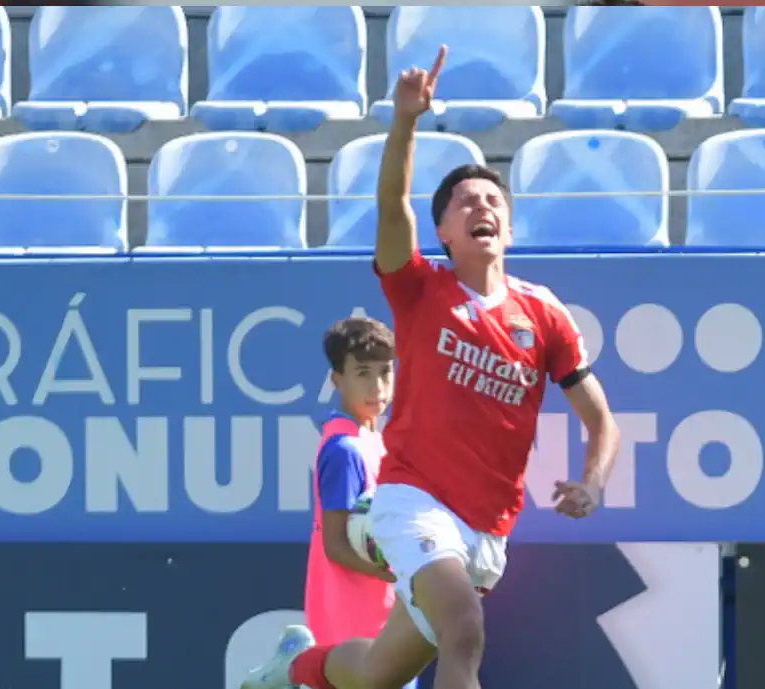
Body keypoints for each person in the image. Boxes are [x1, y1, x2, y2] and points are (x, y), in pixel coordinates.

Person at [242, 45, 621, 689]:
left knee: (379, 673)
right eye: (466, 202)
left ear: (508, 223)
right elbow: (392, 210)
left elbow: (601, 420)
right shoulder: (421, 289)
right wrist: (406, 122)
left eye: (492, 201)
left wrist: (593, 481)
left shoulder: (545, 313)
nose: (482, 209)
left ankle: (293, 668)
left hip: (487, 528)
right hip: (412, 502)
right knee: (465, 630)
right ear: (442, 230)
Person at [304, 318, 407, 667]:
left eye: (385, 372)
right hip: (351, 627)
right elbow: (335, 545)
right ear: (337, 380)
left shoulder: (376, 441)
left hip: (387, 621)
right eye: (363, 373)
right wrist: (397, 572)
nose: (377, 386)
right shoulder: (344, 449)